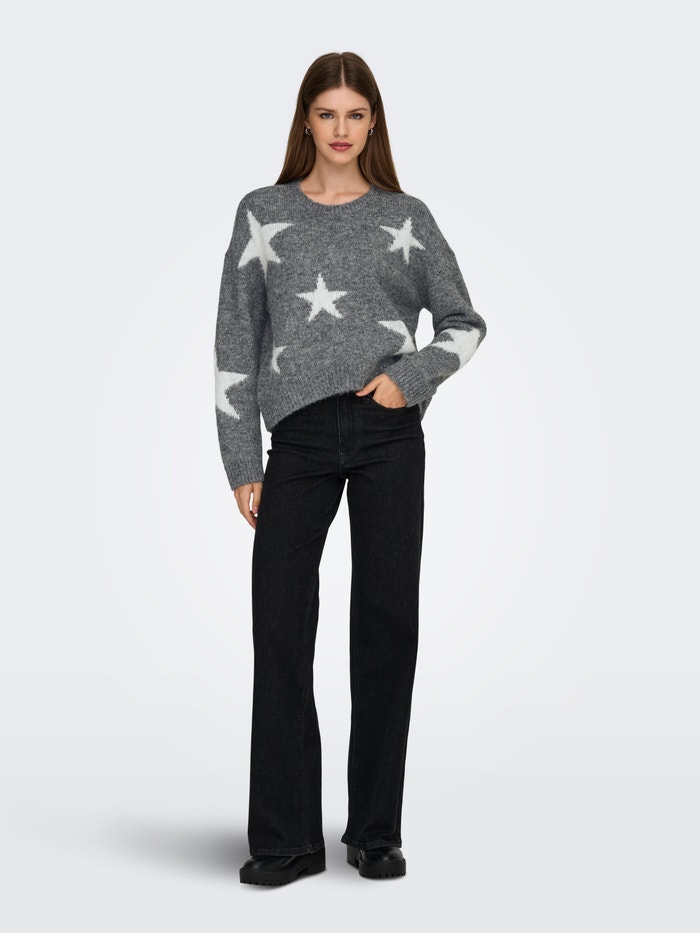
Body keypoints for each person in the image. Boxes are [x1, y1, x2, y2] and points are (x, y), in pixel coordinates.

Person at [214, 50, 487, 886]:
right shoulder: (263, 212)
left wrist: (409, 379)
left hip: (386, 433)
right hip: (296, 439)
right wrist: (241, 459)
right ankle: (287, 836)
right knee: (279, 627)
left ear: (374, 123)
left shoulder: (406, 216)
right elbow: (236, 341)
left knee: (384, 624)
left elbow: (464, 322)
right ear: (306, 119)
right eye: (327, 113)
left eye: (355, 114)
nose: (341, 129)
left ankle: (374, 830)